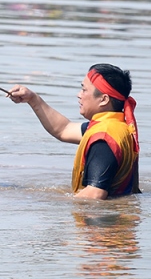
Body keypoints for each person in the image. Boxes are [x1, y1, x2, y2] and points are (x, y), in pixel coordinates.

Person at [8, 64, 139, 199]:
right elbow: (63, 129)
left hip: (107, 219)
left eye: (84, 90)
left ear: (104, 99)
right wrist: (32, 99)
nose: (79, 95)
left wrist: (54, 206)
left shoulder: (104, 137)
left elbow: (95, 194)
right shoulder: (116, 125)